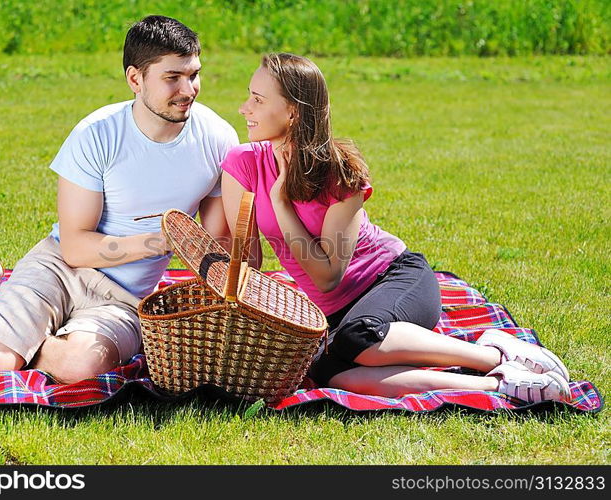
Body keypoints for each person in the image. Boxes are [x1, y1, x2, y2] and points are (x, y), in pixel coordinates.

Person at [0, 16, 239, 384]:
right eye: (173, 78)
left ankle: (6, 333)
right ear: (135, 79)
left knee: (76, 367)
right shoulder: (96, 135)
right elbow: (76, 247)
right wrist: (161, 241)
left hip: (125, 299)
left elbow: (216, 243)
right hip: (60, 268)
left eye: (194, 74)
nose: (188, 89)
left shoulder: (217, 139)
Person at [220, 53, 571, 404]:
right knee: (325, 372)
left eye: (257, 99)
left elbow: (328, 276)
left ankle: (495, 354)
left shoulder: (339, 174)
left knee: (358, 337)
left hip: (395, 280)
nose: (243, 107)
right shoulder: (243, 163)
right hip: (334, 314)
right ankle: (499, 385)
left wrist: (280, 204)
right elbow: (247, 260)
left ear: (293, 111)